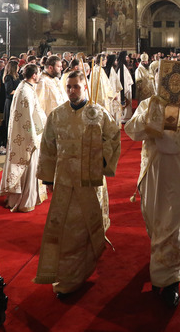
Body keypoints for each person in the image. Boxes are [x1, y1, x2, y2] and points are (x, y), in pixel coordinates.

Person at [124, 82, 180, 307]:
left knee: (175, 227)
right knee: (155, 222)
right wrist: (153, 112)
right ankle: (160, 266)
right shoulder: (148, 104)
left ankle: (170, 280)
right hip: (155, 170)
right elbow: (132, 131)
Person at [33, 71, 121, 297]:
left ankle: (83, 270)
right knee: (67, 231)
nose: (72, 91)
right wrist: (48, 178)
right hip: (64, 181)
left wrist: (100, 161)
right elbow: (48, 146)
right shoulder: (57, 115)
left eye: (76, 87)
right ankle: (69, 278)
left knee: (85, 228)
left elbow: (113, 137)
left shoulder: (98, 113)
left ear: (85, 87)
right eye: (69, 87)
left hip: (89, 182)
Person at [0, 64, 48, 212]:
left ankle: (29, 197)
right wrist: (34, 138)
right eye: (38, 73)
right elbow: (27, 118)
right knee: (29, 166)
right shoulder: (25, 91)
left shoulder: (24, 87)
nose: (39, 76)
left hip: (29, 133)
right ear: (34, 75)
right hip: (27, 137)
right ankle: (25, 201)